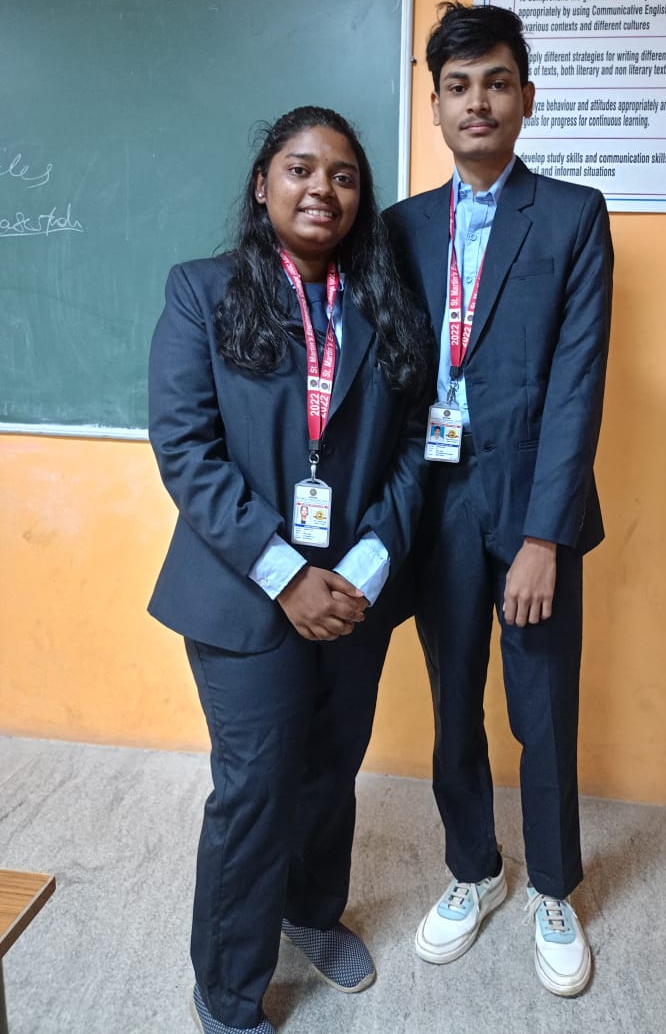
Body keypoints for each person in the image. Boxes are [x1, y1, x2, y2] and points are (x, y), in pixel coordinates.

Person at [148, 106, 430, 1034]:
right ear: (262, 184)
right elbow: (186, 448)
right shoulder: (203, 292)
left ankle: (310, 912)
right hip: (242, 594)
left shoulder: (384, 303)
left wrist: (368, 564)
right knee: (257, 787)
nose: (322, 189)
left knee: (330, 769)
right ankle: (229, 994)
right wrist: (286, 575)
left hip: (353, 592)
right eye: (301, 169)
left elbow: (411, 448)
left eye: (344, 175)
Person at [384, 3, 613, 997]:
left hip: (531, 512)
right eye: (457, 85)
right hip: (434, 506)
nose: (477, 101)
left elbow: (577, 385)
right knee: (452, 704)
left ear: (526, 97)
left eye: (496, 82)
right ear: (435, 105)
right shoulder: (398, 227)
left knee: (542, 709)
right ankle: (474, 869)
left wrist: (543, 537)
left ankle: (553, 886)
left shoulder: (572, 215)